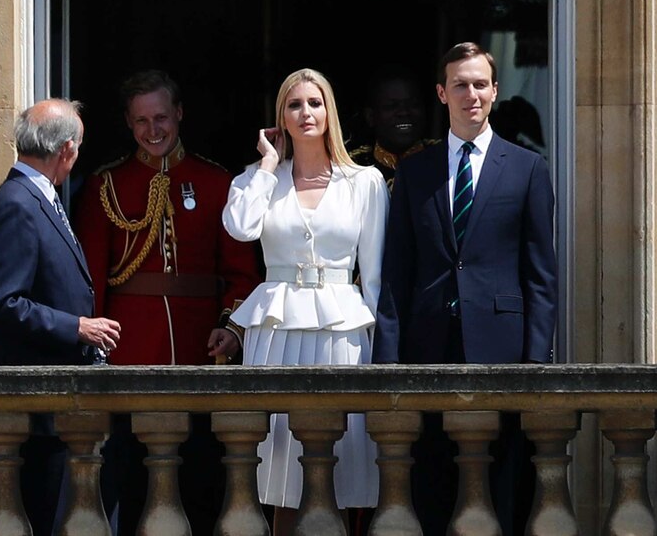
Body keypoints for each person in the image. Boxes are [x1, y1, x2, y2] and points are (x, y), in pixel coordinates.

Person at [373, 42, 557, 536]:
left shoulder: (528, 168)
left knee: (502, 485)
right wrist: (387, 360)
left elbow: (541, 274)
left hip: (503, 349)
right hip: (427, 346)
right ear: (441, 93)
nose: (470, 94)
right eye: (460, 84)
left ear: (495, 91)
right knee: (431, 482)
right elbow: (397, 273)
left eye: (480, 84)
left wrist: (536, 361)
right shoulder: (415, 171)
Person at [73, 70, 260, 535]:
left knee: (202, 480)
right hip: (129, 354)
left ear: (179, 114)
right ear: (128, 123)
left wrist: (231, 327)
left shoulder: (217, 183)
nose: (153, 130)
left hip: (202, 350)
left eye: (161, 117)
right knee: (131, 482)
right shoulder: (105, 187)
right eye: (141, 121)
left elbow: (242, 273)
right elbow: (91, 280)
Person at [223, 68, 389, 534]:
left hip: (343, 329)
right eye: (294, 105)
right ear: (281, 119)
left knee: (340, 462)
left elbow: (373, 277)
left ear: (329, 111)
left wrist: (381, 352)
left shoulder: (365, 182)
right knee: (279, 464)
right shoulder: (258, 179)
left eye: (315, 103)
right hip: (276, 329)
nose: (306, 113)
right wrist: (268, 164)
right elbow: (239, 227)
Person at [0, 98, 122, 536]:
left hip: (64, 406)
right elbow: (1, 304)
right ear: (66, 150)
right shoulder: (18, 202)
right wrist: (76, 327)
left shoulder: (41, 196)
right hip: (41, 409)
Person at [349, 64, 437, 188]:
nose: (403, 112)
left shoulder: (443, 157)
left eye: (413, 104)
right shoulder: (352, 166)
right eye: (391, 106)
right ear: (370, 117)